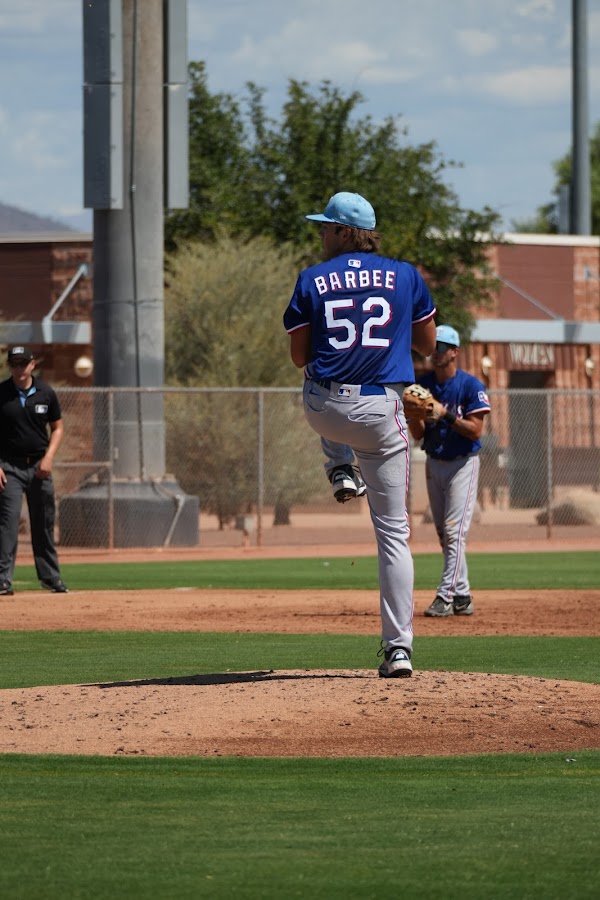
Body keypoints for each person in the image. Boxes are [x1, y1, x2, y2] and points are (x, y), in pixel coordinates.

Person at [283, 191, 436, 677]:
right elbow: (428, 345)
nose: (321, 233)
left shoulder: (312, 277)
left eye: (326, 226)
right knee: (394, 535)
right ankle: (399, 650)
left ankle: (340, 468)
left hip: (326, 409)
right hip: (380, 412)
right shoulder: (405, 275)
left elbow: (298, 356)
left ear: (344, 232)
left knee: (314, 376)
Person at [406, 325, 490, 617]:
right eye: (433, 347)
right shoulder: (424, 384)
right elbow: (418, 434)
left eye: (442, 347)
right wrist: (413, 415)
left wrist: (445, 414)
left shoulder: (470, 386)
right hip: (434, 462)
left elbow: (475, 431)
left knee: (454, 531)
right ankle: (463, 596)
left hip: (463, 464)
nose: (436, 352)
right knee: (444, 534)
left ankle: (445, 596)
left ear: (454, 352)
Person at [0, 346, 69, 595]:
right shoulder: (1, 393)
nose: (19, 368)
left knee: (43, 523)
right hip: (10, 468)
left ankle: (50, 577)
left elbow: (57, 428)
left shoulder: (45, 393)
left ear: (32, 365)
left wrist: (48, 458)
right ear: (10, 367)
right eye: (14, 364)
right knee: (7, 524)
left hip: (40, 467)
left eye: (23, 363)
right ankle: (2, 580)